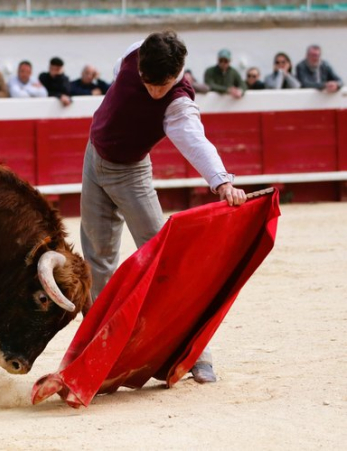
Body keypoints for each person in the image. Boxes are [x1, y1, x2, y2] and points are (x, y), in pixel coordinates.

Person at [81, 31, 247, 385]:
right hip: (93, 159)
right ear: (139, 64)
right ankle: (99, 357)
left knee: (164, 262)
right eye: (148, 82)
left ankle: (198, 355)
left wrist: (222, 181)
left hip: (130, 175)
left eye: (164, 85)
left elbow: (193, 139)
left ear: (179, 72)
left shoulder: (179, 101)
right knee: (96, 262)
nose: (155, 91)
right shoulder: (132, 54)